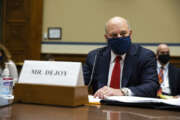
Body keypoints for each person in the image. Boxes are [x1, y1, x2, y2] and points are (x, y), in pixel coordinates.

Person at [83, 16, 159, 99]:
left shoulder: (145, 56)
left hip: (132, 109)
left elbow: (152, 86)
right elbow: (80, 83)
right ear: (106, 37)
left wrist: (122, 92)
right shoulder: (95, 56)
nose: (119, 37)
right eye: (114, 35)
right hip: (100, 106)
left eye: (123, 34)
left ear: (130, 34)